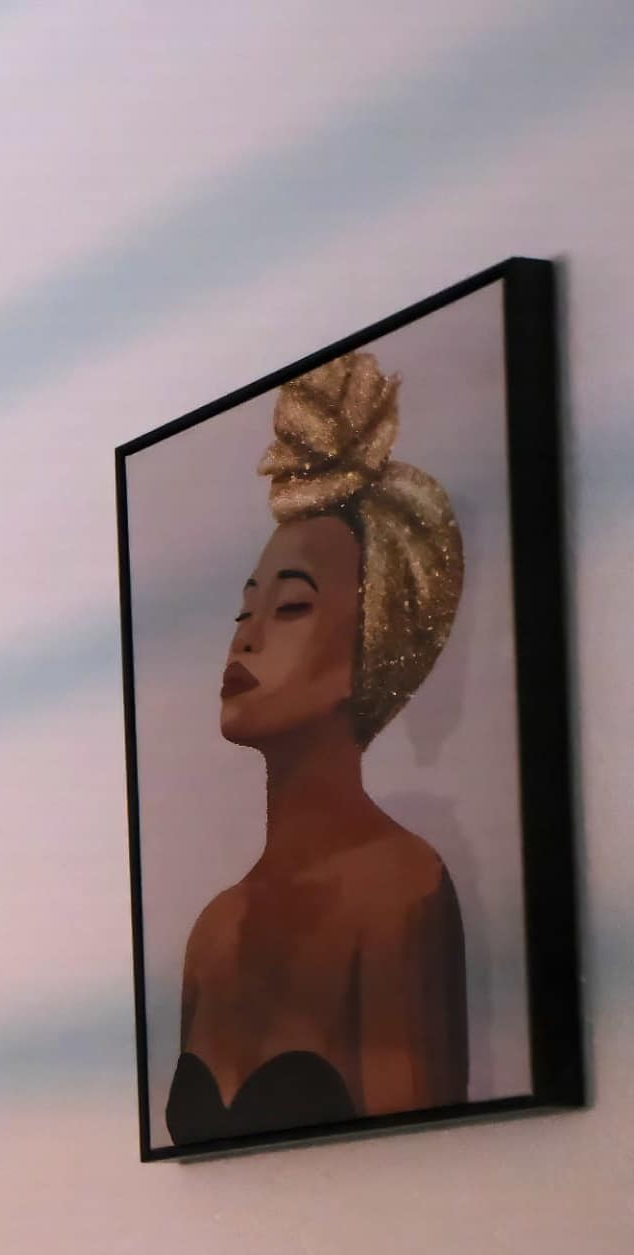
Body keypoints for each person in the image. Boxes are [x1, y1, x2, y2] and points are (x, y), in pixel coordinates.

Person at [168, 348, 470, 1146]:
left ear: (368, 649)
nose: (249, 638)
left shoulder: (400, 892)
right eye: (243, 613)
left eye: (292, 608)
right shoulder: (211, 932)